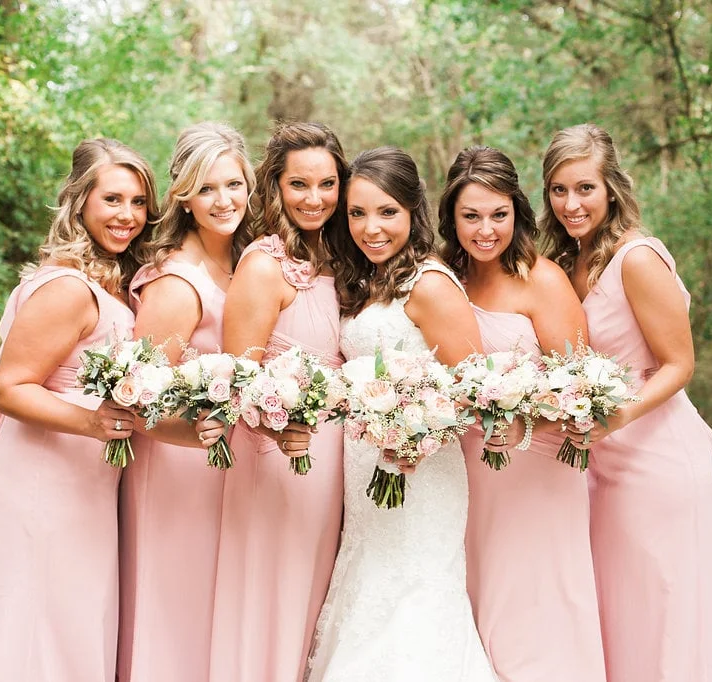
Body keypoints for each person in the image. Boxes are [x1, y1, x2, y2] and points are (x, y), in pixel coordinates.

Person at [538, 123, 712, 682]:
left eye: (584, 188)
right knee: (618, 611)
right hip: (597, 462)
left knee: (663, 609)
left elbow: (680, 363)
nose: (570, 203)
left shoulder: (636, 258)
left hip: (655, 458)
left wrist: (618, 415)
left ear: (611, 187)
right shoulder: (565, 262)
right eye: (559, 189)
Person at [0, 138, 159, 681]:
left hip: (83, 483)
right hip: (42, 480)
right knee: (39, 629)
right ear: (80, 200)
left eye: (138, 202)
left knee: (74, 625)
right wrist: (93, 423)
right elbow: (11, 388)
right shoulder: (69, 288)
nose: (128, 215)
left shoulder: (108, 282)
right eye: (112, 199)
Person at [306, 146, 494, 681]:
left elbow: (475, 388)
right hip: (365, 469)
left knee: (415, 596)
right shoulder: (364, 281)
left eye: (387, 211)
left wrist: (416, 436)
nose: (371, 228)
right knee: (368, 588)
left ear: (413, 210)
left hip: (421, 471)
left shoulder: (430, 284)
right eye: (357, 213)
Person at [438, 145, 606, 681]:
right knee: (479, 600)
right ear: (451, 216)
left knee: (538, 608)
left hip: (538, 473)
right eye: (471, 216)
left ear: (518, 211)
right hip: (466, 471)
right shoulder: (444, 278)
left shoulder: (543, 279)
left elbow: (582, 392)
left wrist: (522, 417)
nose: (485, 230)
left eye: (499, 214)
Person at [207, 122, 348, 682]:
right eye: (299, 184)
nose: (315, 198)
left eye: (327, 184)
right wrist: (276, 426)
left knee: (316, 606)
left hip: (337, 461)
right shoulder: (263, 265)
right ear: (275, 187)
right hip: (282, 457)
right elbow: (237, 379)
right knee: (276, 603)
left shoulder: (338, 258)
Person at [117, 122, 254, 681]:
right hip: (177, 470)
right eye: (206, 188)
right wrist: (196, 435)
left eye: (233, 184)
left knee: (210, 615)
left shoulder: (244, 260)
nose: (223, 201)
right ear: (184, 197)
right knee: (174, 609)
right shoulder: (177, 282)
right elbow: (137, 398)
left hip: (223, 467)